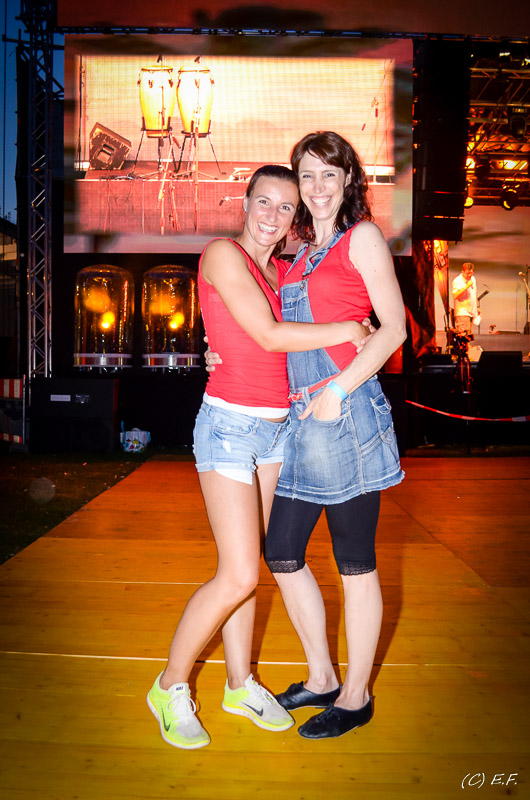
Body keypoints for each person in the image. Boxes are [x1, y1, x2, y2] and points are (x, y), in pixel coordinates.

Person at [147, 164, 372, 750]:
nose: (273, 216)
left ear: (296, 218)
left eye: (286, 207)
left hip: (278, 431)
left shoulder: (280, 270)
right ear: (245, 203)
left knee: (252, 569)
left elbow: (277, 339)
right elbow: (270, 335)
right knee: (240, 573)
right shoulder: (224, 254)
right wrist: (349, 328)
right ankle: (169, 686)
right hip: (229, 427)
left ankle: (239, 683)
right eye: (264, 202)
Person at [261, 131, 406, 740]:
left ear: (348, 181)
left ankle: (356, 694)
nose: (317, 187)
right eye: (307, 175)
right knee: (281, 551)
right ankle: (322, 676)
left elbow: (393, 329)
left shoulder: (362, 238)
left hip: (345, 415)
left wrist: (338, 391)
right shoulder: (296, 257)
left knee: (355, 562)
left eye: (330, 174)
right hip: (302, 423)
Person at [452, 262, 478, 335]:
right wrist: (466, 286)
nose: (469, 275)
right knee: (463, 334)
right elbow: (456, 295)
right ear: (462, 271)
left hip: (471, 311)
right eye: (467, 273)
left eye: (471, 273)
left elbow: (474, 293)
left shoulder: (473, 279)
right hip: (462, 312)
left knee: (469, 336)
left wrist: (477, 307)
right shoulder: (458, 281)